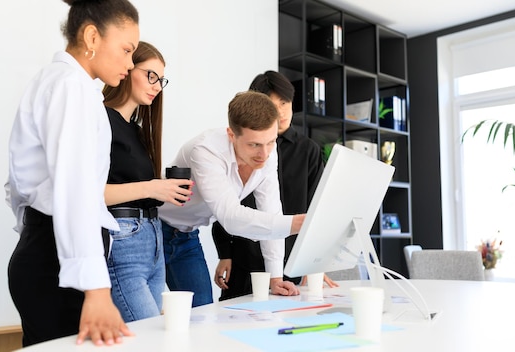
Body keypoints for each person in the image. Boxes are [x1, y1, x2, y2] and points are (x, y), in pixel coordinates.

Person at [6, 0, 139, 347]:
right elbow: (75, 187)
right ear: (92, 36)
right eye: (126, 50)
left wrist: (37, 233)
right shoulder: (70, 86)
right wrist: (96, 290)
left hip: (48, 254)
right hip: (57, 267)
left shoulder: (66, 84)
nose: (129, 64)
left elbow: (19, 188)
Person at [159, 91, 305, 307]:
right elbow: (230, 217)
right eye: (254, 145)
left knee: (201, 311)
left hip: (187, 237)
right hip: (152, 231)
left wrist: (275, 277)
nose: (264, 154)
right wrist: (294, 224)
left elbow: (271, 211)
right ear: (231, 135)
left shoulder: (267, 153)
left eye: (271, 142)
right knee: (143, 318)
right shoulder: (205, 150)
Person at [212, 71, 338, 301]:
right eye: (272, 104)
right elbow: (226, 205)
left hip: (288, 261)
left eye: (285, 102)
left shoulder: (307, 150)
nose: (280, 111)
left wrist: (312, 263)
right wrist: (225, 253)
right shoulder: (240, 146)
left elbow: (314, 208)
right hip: (244, 255)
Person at [102, 41, 193, 323]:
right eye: (150, 75)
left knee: (153, 331)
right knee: (150, 336)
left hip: (153, 239)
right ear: (128, 69)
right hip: (123, 240)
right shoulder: (100, 119)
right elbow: (90, 194)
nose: (157, 85)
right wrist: (154, 187)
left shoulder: (138, 132)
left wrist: (163, 189)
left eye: (161, 80)